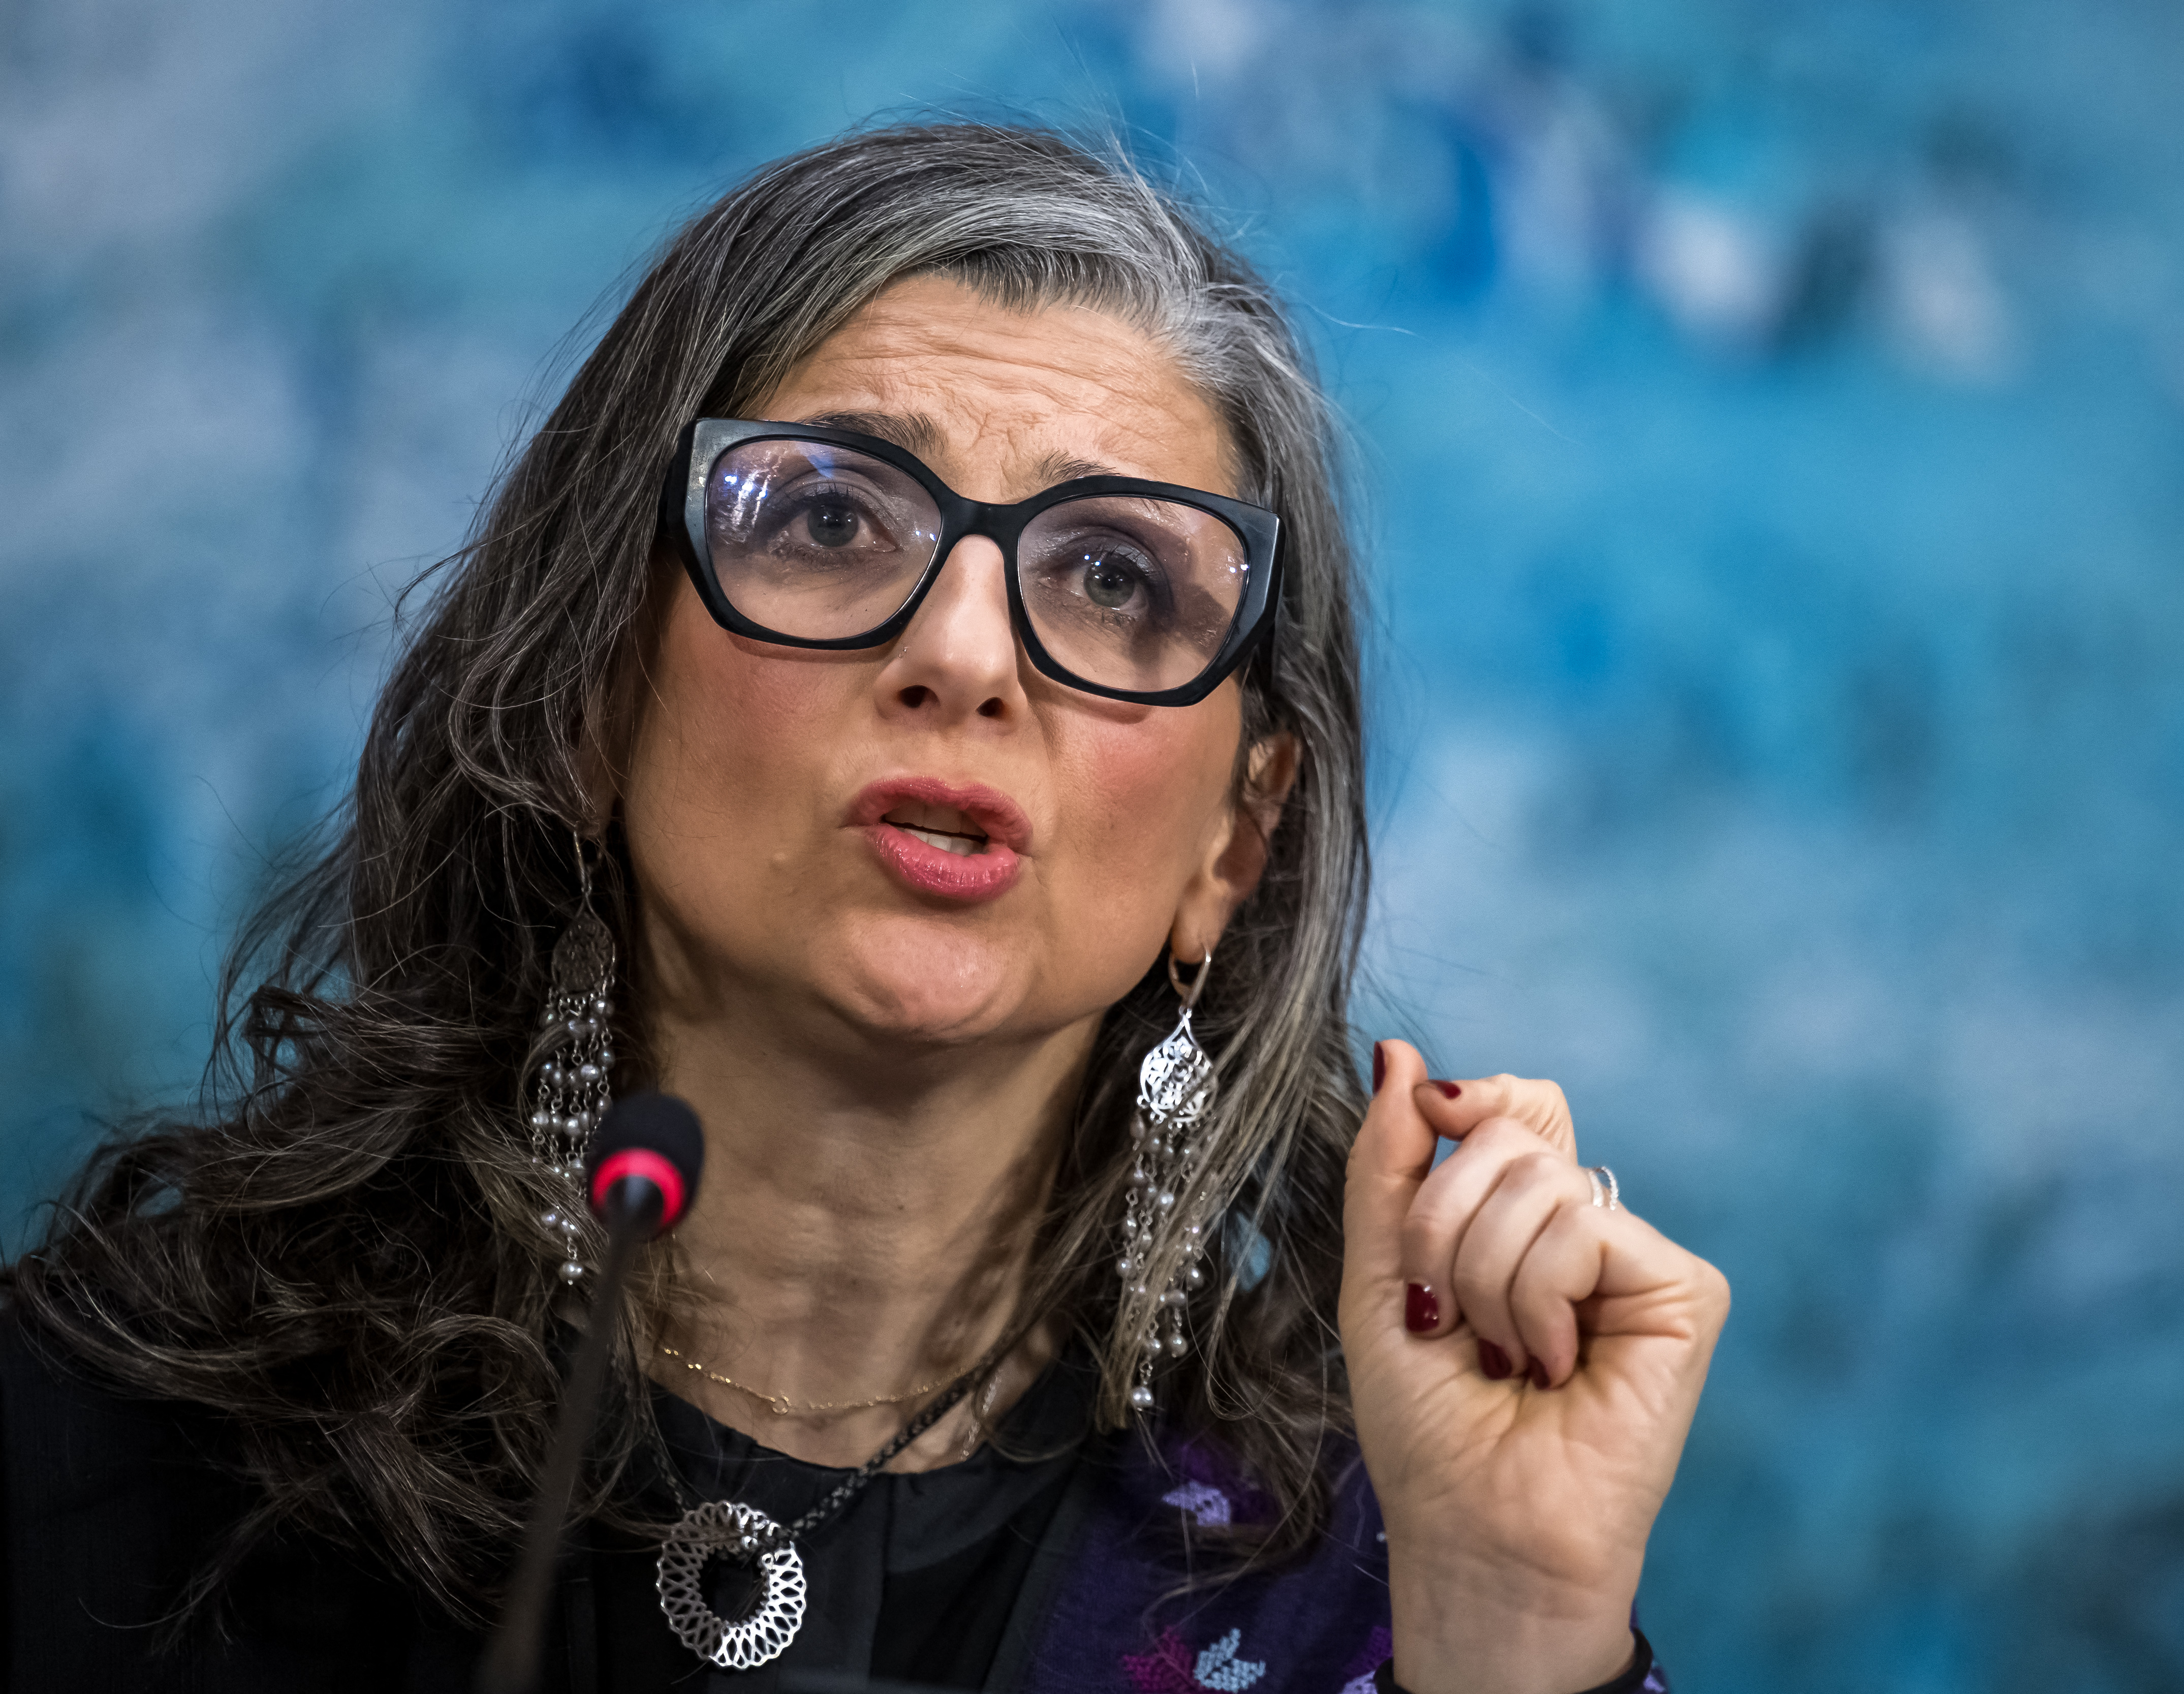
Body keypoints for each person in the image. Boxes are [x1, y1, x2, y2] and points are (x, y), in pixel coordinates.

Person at [0, 123, 1729, 1693]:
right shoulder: (114, 1445)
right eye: (830, 518)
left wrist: (1510, 1635)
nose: (965, 655)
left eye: (1115, 577)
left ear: (1235, 840)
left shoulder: (1366, 1583)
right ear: (594, 691)